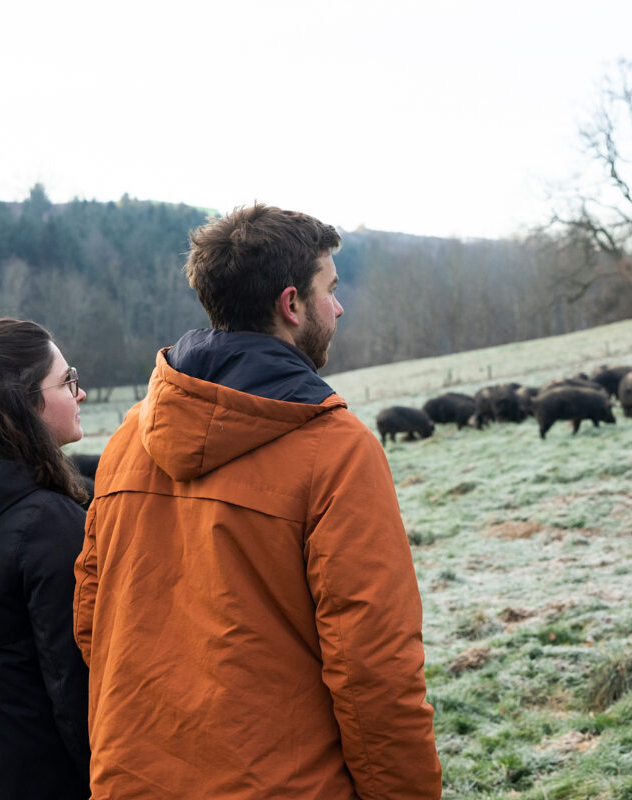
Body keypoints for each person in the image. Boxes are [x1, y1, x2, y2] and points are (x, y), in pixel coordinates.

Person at [74, 204, 442, 799]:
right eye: (331, 289)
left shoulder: (127, 440)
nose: (339, 308)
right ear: (291, 304)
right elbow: (372, 667)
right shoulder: (337, 451)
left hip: (130, 779)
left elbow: (93, 623)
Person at [0, 318, 90, 800]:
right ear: (20, 402)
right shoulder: (47, 524)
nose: (79, 394)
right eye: (67, 380)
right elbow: (77, 695)